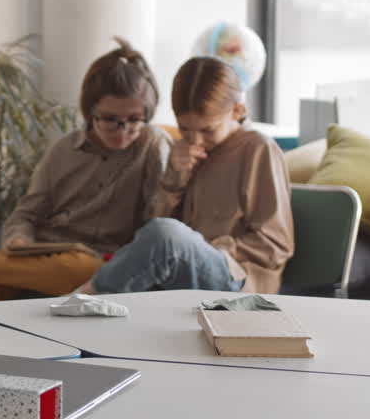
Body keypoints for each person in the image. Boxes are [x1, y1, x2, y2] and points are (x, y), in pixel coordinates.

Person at [0, 39, 171, 310]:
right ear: (90, 112)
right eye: (110, 120)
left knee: (82, 269)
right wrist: (19, 239)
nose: (123, 131)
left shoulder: (153, 146)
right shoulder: (64, 149)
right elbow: (26, 214)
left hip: (97, 259)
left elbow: (157, 222)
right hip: (41, 253)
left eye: (135, 120)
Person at [85, 56, 294, 294]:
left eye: (208, 129)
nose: (195, 139)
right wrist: (175, 179)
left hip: (239, 278)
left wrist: (205, 249)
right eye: (184, 128)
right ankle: (88, 302)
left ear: (237, 110)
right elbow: (150, 229)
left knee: (166, 236)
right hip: (186, 272)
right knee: (158, 237)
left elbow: (275, 245)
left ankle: (81, 299)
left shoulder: (258, 149)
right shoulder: (184, 151)